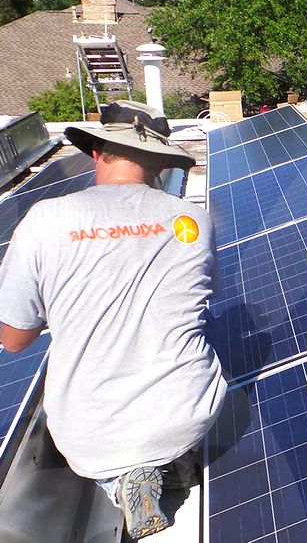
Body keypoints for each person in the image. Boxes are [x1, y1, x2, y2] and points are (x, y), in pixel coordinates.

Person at [0, 101, 227, 539]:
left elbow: (13, 339)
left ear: (97, 152)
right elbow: (200, 296)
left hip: (95, 433)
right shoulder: (192, 219)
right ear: (162, 163)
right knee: (188, 363)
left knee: (99, 438)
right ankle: (171, 458)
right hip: (191, 407)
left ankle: (124, 482)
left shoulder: (46, 220)